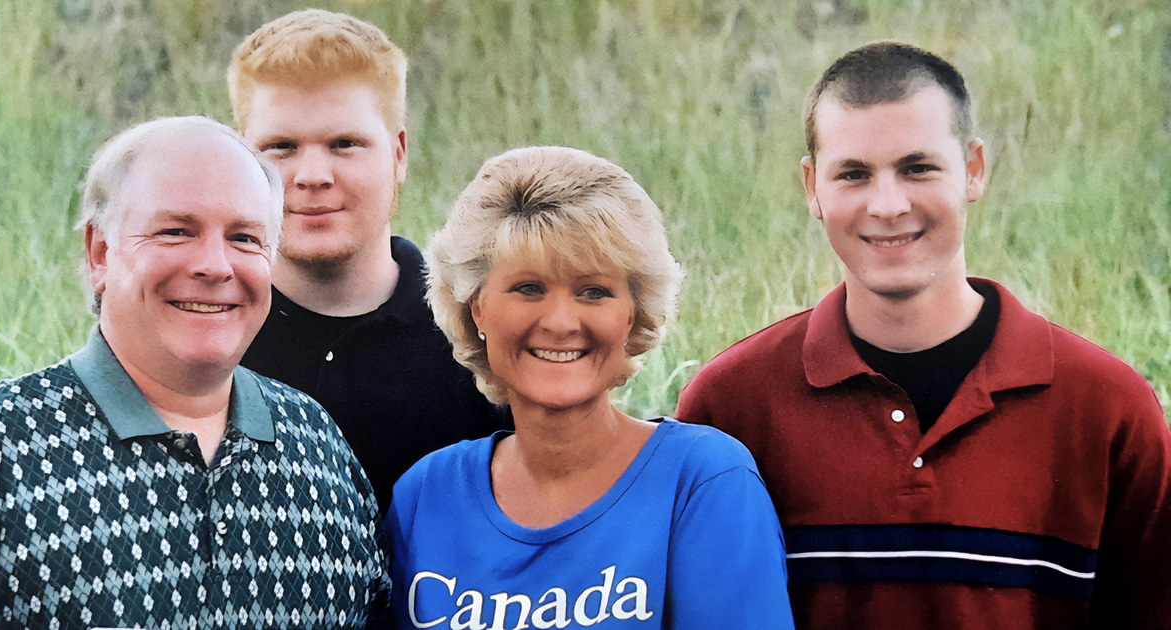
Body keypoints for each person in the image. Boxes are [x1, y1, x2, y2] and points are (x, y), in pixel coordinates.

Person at [676, 41, 1171, 628]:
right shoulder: (731, 405)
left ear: (974, 170)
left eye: (918, 167)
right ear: (812, 187)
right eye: (853, 173)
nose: (887, 205)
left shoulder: (1108, 406)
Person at [0, 117, 389, 629]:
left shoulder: (318, 447)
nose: (215, 265)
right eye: (175, 231)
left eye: (244, 237)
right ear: (100, 252)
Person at [388, 146, 794, 629]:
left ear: (633, 313)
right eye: (528, 288)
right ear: (476, 308)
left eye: (593, 291)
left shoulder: (703, 481)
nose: (561, 322)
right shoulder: (425, 496)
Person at [228, 9, 506, 507]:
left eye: (345, 144)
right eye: (281, 147)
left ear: (399, 155)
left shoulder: (479, 333)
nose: (313, 175)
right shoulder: (204, 334)